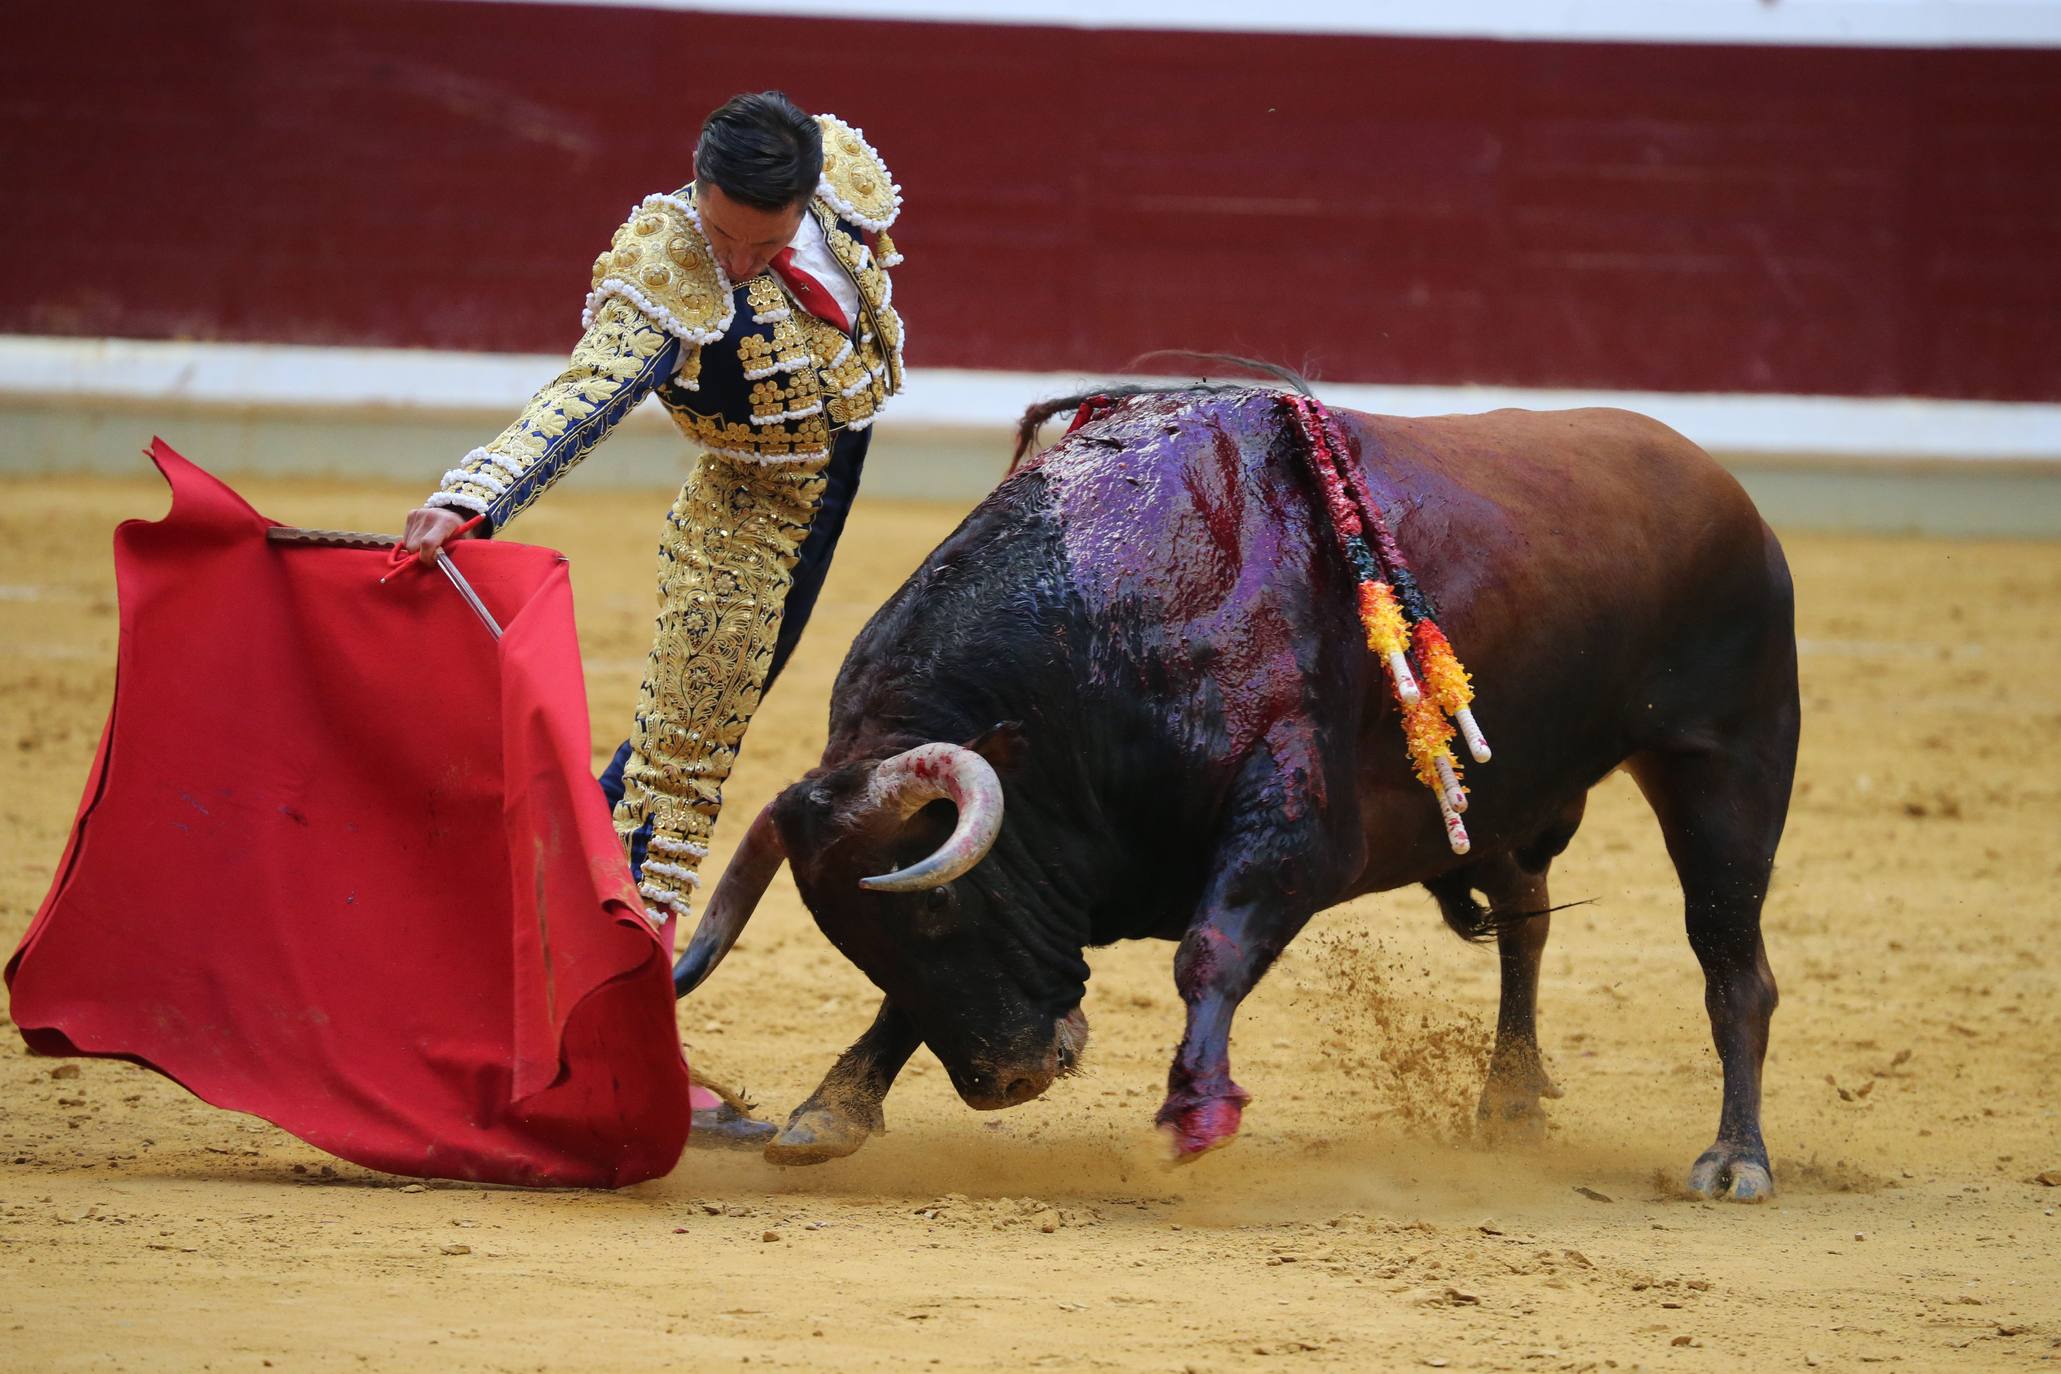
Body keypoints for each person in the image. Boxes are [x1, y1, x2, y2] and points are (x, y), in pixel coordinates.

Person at [399, 91, 906, 1146]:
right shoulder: (665, 267)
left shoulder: (841, 194)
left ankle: (541, 958)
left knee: (667, 763)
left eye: (762, 241)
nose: (735, 258)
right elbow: (584, 395)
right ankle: (600, 1043)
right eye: (720, 231)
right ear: (695, 190)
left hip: (822, 511)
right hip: (742, 531)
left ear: (807, 202)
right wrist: (474, 495)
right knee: (674, 779)